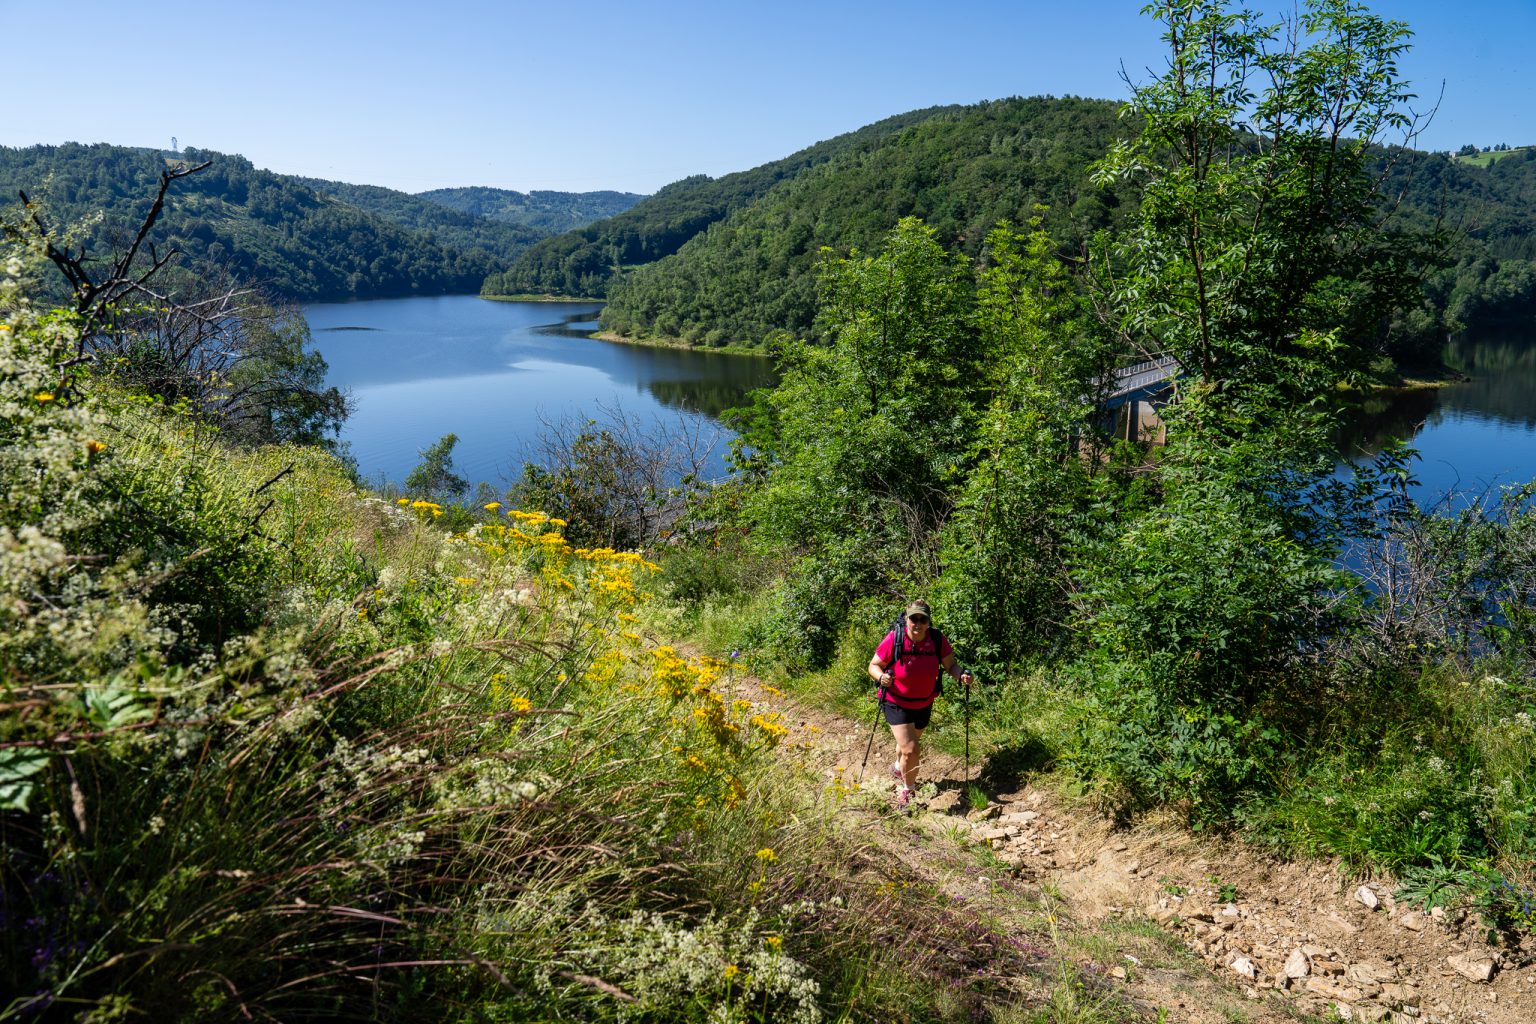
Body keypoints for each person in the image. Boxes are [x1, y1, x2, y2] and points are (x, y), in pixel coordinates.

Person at [867, 599, 972, 808]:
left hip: (924, 702)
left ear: (928, 622)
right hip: (896, 701)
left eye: (922, 619)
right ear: (907, 619)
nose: (917, 623)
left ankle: (899, 768)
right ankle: (908, 791)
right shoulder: (895, 638)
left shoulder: (936, 639)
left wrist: (962, 675)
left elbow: (951, 665)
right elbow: (873, 665)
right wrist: (881, 678)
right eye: (913, 618)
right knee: (911, 749)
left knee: (907, 746)